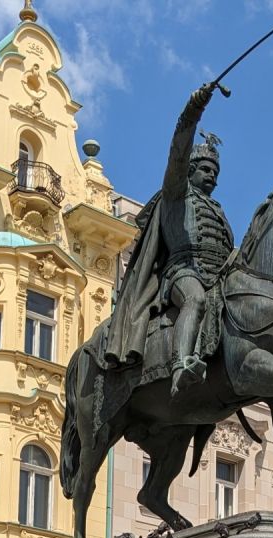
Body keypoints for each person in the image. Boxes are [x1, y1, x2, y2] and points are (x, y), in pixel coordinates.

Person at [101, 83, 234, 397]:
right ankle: (181, 365)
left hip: (218, 275)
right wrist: (193, 110)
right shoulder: (177, 192)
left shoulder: (218, 209)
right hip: (182, 271)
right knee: (195, 300)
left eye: (215, 171)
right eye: (204, 168)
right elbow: (178, 150)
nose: (212, 175)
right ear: (188, 171)